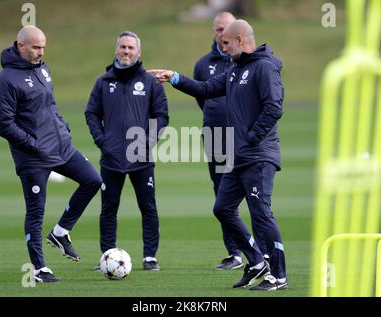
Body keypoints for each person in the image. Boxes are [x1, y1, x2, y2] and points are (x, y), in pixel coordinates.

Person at [148, 19, 288, 291]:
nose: (222, 49)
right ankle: (257, 261)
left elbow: (274, 108)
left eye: (225, 43)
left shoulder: (264, 67)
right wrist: (174, 77)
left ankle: (279, 275)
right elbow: (207, 88)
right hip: (239, 157)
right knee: (222, 208)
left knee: (261, 213)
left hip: (258, 156)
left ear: (240, 40)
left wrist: (249, 139)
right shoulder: (236, 70)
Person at [0, 26, 103, 283]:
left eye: (43, 47)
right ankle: (40, 270)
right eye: (35, 47)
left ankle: (61, 232)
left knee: (93, 181)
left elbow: (50, 103)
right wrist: (32, 143)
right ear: (21, 46)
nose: (41, 52)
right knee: (36, 212)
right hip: (32, 157)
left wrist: (62, 126)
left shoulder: (42, 68)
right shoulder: (4, 81)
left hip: (60, 146)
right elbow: (4, 124)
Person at [85, 31, 169, 271]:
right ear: (116, 50)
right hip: (111, 158)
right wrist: (102, 141)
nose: (126, 51)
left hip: (140, 157)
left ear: (138, 52)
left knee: (148, 208)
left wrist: (147, 142)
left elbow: (161, 116)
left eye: (131, 48)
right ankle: (107, 256)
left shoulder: (150, 83)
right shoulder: (103, 82)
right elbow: (91, 113)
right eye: (123, 47)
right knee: (108, 209)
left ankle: (150, 256)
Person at [193, 12, 243, 271]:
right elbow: (203, 98)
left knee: (253, 196)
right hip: (214, 137)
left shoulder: (244, 61)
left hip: (242, 139)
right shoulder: (203, 64)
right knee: (222, 196)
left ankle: (260, 250)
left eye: (227, 29)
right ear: (213, 31)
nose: (222, 35)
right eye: (218, 30)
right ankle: (234, 253)